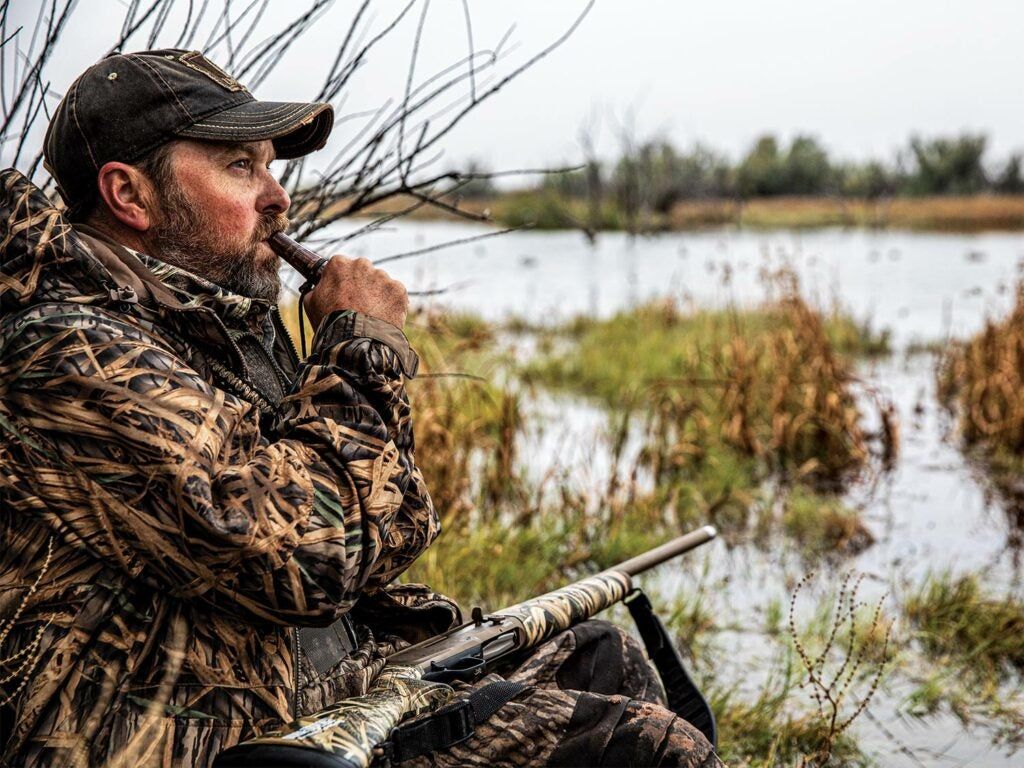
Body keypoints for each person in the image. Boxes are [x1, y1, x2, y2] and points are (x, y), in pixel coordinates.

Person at [0, 49, 722, 767]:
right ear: (130, 195)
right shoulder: (67, 350)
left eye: (270, 166)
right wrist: (360, 348)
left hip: (318, 693)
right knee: (652, 750)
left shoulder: (214, 330)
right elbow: (310, 557)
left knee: (603, 657)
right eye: (240, 167)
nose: (277, 197)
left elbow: (392, 530)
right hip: (207, 742)